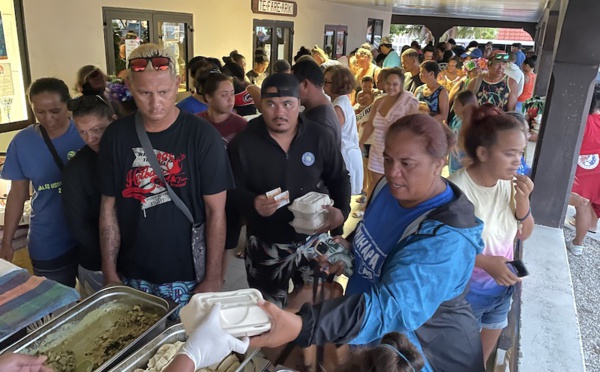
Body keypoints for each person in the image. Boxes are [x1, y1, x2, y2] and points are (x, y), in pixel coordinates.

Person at [249, 114, 486, 372]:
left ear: (438, 164)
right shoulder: (387, 187)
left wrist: (303, 326)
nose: (393, 172)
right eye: (387, 159)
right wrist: (349, 249)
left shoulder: (445, 239)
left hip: (421, 356)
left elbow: (390, 309)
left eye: (407, 163)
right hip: (369, 343)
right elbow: (371, 232)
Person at [98, 43, 234, 310]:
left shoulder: (203, 137)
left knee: (182, 348)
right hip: (131, 272)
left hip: (187, 274)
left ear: (178, 82)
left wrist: (213, 277)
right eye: (144, 93)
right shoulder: (116, 136)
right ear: (129, 87)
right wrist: (109, 271)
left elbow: (216, 212)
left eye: (163, 91)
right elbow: (108, 206)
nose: (155, 103)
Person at [227, 72, 350, 309]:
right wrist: (253, 203)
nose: (279, 112)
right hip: (266, 243)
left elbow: (339, 178)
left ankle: (308, 347)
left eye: (287, 104)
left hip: (315, 240)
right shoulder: (243, 144)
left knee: (315, 308)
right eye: (271, 104)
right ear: (260, 104)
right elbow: (229, 191)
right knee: (269, 312)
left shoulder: (319, 137)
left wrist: (341, 213)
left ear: (299, 104)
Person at [449, 105, 534, 364]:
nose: (518, 161)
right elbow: (447, 247)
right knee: (457, 357)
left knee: (479, 361)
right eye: (509, 153)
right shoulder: (456, 190)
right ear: (483, 153)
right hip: (466, 292)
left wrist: (524, 204)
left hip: (501, 289)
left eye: (520, 153)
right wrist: (486, 263)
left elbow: (525, 233)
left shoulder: (510, 184)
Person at [0, 78, 84, 287]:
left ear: (69, 104)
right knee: (56, 304)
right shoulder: (23, 142)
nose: (48, 118)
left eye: (55, 111)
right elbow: (18, 194)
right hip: (48, 237)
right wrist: (7, 242)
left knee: (97, 302)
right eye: (40, 112)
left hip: (89, 233)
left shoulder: (86, 133)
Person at [62, 94, 116, 297]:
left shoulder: (128, 154)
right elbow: (79, 226)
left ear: (113, 119)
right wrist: (108, 264)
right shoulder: (77, 169)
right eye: (82, 132)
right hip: (96, 265)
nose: (90, 139)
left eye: (97, 130)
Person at [198, 73, 247, 277]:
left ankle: (218, 280)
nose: (230, 100)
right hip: (200, 192)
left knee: (225, 243)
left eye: (232, 94)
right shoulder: (195, 124)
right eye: (224, 94)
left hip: (230, 193)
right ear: (208, 97)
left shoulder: (241, 126)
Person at [356, 68, 419, 217]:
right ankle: (369, 209)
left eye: (395, 84)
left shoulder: (409, 102)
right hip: (377, 147)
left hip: (396, 150)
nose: (391, 87)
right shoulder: (379, 101)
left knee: (393, 182)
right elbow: (370, 124)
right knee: (374, 181)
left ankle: (388, 212)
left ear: (402, 85)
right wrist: (361, 141)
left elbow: (412, 129)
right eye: (388, 83)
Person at [567, 87, 600, 256]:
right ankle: (578, 244)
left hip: (578, 171)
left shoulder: (579, 122)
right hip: (596, 172)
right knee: (584, 206)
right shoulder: (598, 120)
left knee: (573, 200)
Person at [324, 65, 364, 196]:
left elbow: (331, 135)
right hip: (348, 154)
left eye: (327, 82)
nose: (324, 85)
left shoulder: (338, 106)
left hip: (346, 156)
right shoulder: (341, 101)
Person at [292, 59, 342, 147]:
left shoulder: (321, 121)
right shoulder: (318, 111)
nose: (291, 90)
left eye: (293, 85)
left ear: (305, 84)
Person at [448, 90, 478, 174]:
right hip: (454, 164)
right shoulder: (456, 119)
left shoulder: (474, 125)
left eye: (456, 105)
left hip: (465, 168)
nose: (453, 107)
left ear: (466, 106)